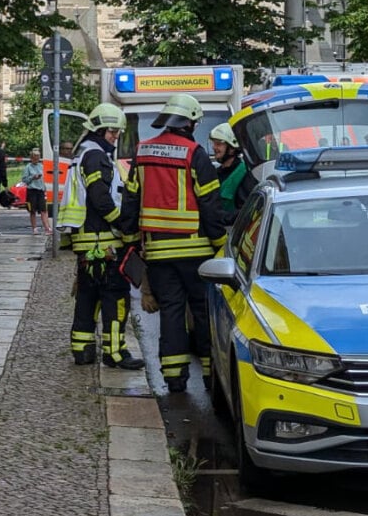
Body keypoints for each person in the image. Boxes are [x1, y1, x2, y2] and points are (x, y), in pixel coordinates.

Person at [120, 93, 226, 394]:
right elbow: (210, 204)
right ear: (190, 123)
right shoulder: (195, 153)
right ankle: (209, 376)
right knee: (202, 314)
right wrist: (220, 242)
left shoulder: (143, 151)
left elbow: (131, 200)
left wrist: (130, 242)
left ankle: (174, 377)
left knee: (171, 312)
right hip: (196, 251)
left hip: (157, 251)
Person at [59, 103, 145, 370]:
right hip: (103, 242)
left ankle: (83, 350)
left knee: (88, 295)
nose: (115, 138)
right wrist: (123, 226)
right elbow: (101, 199)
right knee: (115, 296)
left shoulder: (83, 153)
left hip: (88, 243)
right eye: (112, 132)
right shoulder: (96, 156)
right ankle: (115, 352)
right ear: (99, 129)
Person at [210, 122, 258, 225]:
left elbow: (246, 212)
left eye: (218, 144)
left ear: (232, 149)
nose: (214, 147)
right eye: (213, 143)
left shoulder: (244, 175)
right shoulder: (216, 173)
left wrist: (221, 218)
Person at [21, 149, 50, 235]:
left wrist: (44, 188)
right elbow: (24, 180)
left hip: (40, 191)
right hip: (32, 191)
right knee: (32, 211)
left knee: (43, 210)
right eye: (35, 157)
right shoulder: (28, 167)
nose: (37, 159)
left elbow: (44, 179)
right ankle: (34, 229)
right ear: (31, 158)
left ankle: (47, 228)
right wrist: (33, 177)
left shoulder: (41, 166)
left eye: (38, 157)